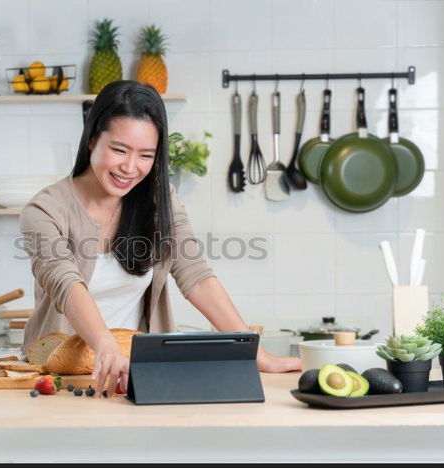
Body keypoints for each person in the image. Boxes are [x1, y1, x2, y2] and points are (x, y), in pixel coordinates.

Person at [20, 80, 300, 398]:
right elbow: (64, 282)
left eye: (145, 155)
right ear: (92, 139)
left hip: (140, 374)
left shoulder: (159, 199)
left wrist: (255, 352)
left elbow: (195, 276)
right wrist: (105, 346)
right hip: (63, 378)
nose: (130, 167)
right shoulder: (43, 210)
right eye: (119, 150)